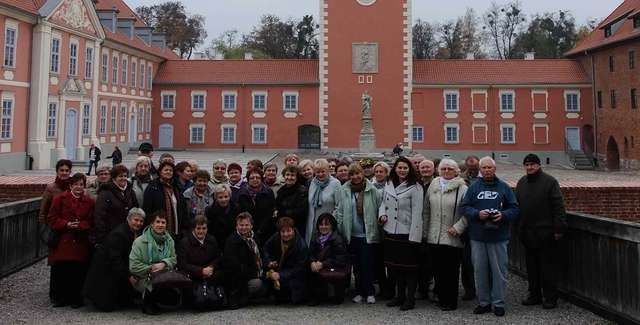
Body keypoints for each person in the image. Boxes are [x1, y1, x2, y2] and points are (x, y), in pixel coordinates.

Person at [461, 156, 519, 317]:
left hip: (498, 236)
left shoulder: (504, 187)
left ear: (495, 169)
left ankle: (498, 302)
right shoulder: (473, 188)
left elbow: (514, 208)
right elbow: (465, 207)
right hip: (478, 236)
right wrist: (477, 214)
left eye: (489, 168)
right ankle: (484, 302)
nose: (486, 170)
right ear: (480, 170)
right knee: (480, 271)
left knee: (499, 271)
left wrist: (503, 215)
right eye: (484, 168)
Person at [515, 154, 567, 310]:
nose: (529, 167)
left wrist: (559, 229)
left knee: (548, 268)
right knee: (532, 267)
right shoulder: (522, 182)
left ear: (538, 165)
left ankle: (550, 298)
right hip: (527, 232)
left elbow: (558, 206)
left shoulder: (550, 182)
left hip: (546, 232)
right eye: (527, 164)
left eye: (532, 164)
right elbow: (517, 205)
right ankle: (534, 295)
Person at [422, 159, 468, 311]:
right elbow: (426, 209)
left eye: (450, 169)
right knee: (437, 269)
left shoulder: (462, 188)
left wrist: (458, 227)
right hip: (434, 235)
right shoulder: (434, 185)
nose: (446, 171)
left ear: (456, 171)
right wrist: (425, 231)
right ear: (439, 170)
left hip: (451, 234)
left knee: (451, 270)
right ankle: (441, 297)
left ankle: (450, 301)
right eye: (443, 169)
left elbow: (468, 212)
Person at [379, 156, 423, 311]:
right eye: (400, 167)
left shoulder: (416, 187)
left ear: (409, 169)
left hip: (407, 232)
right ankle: (399, 296)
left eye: (405, 168)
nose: (402, 170)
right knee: (395, 267)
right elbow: (383, 202)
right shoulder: (389, 183)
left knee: (409, 268)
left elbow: (418, 213)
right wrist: (382, 214)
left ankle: (410, 299)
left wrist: (414, 235)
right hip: (391, 230)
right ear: (395, 169)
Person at [335, 163, 381, 305]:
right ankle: (360, 291)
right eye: (352, 174)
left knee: (367, 264)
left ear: (363, 174)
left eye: (358, 174)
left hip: (367, 234)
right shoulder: (344, 190)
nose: (355, 177)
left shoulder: (372, 190)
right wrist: (340, 225)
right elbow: (340, 209)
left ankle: (370, 292)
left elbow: (378, 208)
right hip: (351, 234)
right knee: (356, 266)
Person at [47, 173, 94, 308]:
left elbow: (90, 220)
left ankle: (75, 298)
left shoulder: (89, 202)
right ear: (71, 185)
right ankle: (59, 298)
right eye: (76, 184)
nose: (79, 187)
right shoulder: (59, 199)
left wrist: (81, 225)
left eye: (81, 185)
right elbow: (52, 218)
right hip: (63, 238)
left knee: (78, 271)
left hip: (80, 239)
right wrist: (66, 224)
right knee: (61, 269)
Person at [83, 208, 145, 312]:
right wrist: (129, 276)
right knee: (107, 306)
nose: (138, 223)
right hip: (105, 269)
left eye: (141, 221)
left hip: (116, 266)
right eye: (136, 220)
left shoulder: (133, 232)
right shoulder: (119, 234)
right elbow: (115, 259)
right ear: (128, 219)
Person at [129, 212, 178, 315]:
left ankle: (158, 299)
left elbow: (174, 259)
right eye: (158, 222)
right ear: (152, 224)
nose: (160, 225)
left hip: (164, 277)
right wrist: (152, 268)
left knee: (174, 299)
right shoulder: (139, 241)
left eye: (163, 222)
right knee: (151, 298)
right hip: (144, 277)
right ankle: (146, 299)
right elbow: (133, 266)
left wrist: (164, 263)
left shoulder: (170, 241)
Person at [39, 159, 72, 303]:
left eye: (67, 170)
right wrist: (44, 229)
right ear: (57, 171)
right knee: (56, 263)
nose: (64, 173)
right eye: (62, 170)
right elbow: (43, 211)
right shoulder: (51, 188)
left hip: (71, 231)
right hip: (56, 230)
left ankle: (68, 293)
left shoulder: (74, 186)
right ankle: (56, 295)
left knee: (70, 263)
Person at [178, 215, 224, 309]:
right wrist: (201, 271)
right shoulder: (184, 243)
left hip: (210, 274)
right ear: (193, 228)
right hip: (193, 276)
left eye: (204, 228)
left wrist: (211, 267)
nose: (201, 231)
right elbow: (182, 264)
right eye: (198, 228)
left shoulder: (212, 239)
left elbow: (218, 257)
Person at [222, 213, 267, 309]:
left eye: (247, 225)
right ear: (236, 226)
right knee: (258, 284)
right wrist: (254, 273)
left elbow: (261, 254)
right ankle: (243, 297)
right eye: (241, 225)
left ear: (251, 225)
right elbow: (234, 266)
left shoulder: (254, 238)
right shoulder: (232, 241)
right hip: (240, 279)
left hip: (256, 272)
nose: (244, 227)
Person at [263, 217, 309, 305]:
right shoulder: (276, 237)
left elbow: (299, 268)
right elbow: (266, 249)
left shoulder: (301, 245)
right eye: (283, 232)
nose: (286, 234)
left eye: (288, 231)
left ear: (293, 230)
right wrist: (270, 261)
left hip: (293, 276)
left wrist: (280, 275)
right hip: (277, 270)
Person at [308, 213, 349, 306]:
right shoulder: (315, 236)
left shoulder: (338, 238)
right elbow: (310, 253)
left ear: (332, 226)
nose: (323, 227)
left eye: (326, 224)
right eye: (321, 224)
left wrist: (322, 264)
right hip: (318, 265)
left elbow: (340, 259)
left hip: (333, 266)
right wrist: (312, 262)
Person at [91, 165, 138, 245]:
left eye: (125, 176)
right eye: (120, 176)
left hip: (128, 233)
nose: (123, 178)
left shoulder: (130, 191)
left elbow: (135, 209)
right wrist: (102, 236)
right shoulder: (105, 192)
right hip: (111, 234)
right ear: (113, 178)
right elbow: (99, 216)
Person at [143, 161, 188, 238]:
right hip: (157, 229)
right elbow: (147, 209)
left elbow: (183, 208)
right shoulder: (152, 187)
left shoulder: (176, 187)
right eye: (166, 170)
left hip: (176, 230)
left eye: (170, 170)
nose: (168, 172)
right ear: (160, 172)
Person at [306, 159, 341, 245]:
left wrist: (331, 222)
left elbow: (339, 205)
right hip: (312, 225)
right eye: (317, 172)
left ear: (328, 170)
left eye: (323, 171)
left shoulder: (335, 183)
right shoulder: (312, 182)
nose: (320, 174)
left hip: (327, 225)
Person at [237, 168, 276, 245]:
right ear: (248, 179)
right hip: (246, 229)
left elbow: (270, 211)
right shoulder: (242, 193)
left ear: (262, 179)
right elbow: (240, 212)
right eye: (252, 178)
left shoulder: (268, 192)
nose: (255, 180)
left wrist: (262, 229)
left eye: (258, 177)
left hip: (265, 229)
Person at [460, 155, 480, 301]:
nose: (472, 171)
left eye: (474, 168)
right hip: (466, 226)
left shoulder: (486, 177)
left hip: (482, 225)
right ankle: (469, 290)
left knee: (484, 261)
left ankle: (486, 290)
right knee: (466, 261)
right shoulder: (461, 179)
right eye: (470, 168)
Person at [275, 165, 309, 236]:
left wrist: (282, 212)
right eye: (287, 175)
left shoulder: (302, 191)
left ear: (297, 178)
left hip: (297, 227)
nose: (289, 178)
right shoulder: (281, 191)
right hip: (283, 226)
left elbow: (300, 211)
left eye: (292, 175)